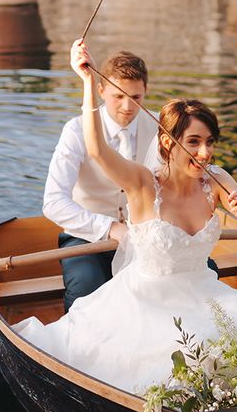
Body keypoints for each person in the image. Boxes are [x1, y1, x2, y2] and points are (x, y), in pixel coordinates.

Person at [14, 39, 237, 394]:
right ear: (169, 143)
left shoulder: (214, 176)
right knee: (88, 294)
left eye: (210, 142)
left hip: (194, 284)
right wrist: (84, 81)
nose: (204, 152)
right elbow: (92, 155)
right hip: (108, 250)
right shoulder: (140, 179)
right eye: (193, 142)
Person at [42, 47, 159, 312]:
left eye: (136, 97)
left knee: (193, 273)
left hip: (145, 234)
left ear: (146, 91)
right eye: (118, 96)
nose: (128, 107)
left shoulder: (160, 126)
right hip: (85, 237)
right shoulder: (75, 130)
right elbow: (53, 202)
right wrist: (110, 228)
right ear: (101, 90)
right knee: (87, 287)